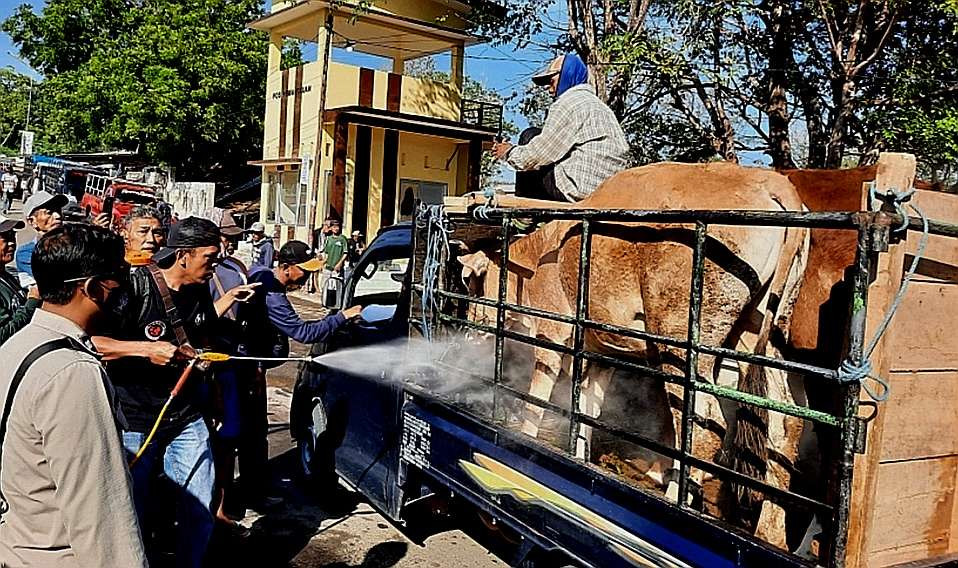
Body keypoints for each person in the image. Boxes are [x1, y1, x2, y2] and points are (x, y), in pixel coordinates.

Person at [0, 223, 148, 567]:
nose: (123, 290)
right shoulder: (73, 372)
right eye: (119, 280)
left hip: (16, 543)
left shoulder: (18, 345)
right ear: (94, 288)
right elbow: (100, 510)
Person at [93, 217, 234, 568]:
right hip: (138, 420)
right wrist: (144, 349)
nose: (216, 265)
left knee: (200, 507)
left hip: (187, 416)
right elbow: (93, 343)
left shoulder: (201, 288)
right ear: (184, 255)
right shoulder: (132, 287)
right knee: (134, 513)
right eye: (210, 256)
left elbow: (203, 340)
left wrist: (213, 394)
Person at [238, 241, 361, 506]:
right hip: (247, 370)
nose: (307, 277)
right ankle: (252, 495)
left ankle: (250, 490)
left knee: (251, 433)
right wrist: (342, 317)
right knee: (253, 434)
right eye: (303, 271)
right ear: (285, 267)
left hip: (251, 365)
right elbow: (303, 333)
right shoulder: (273, 296)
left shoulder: (260, 273)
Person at [492, 53, 630, 202]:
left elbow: (537, 154)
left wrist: (508, 152)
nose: (548, 88)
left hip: (579, 189)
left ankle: (525, 218)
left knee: (529, 135)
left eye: (551, 81)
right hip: (609, 190)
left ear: (567, 74)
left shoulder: (568, 103)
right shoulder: (601, 107)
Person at [207, 209, 259, 531]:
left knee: (229, 439)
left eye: (230, 238)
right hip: (204, 364)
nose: (228, 243)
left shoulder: (237, 267)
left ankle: (222, 508)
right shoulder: (189, 274)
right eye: (223, 237)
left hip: (233, 363)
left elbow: (249, 318)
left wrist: (252, 361)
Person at [0, 216, 40, 345]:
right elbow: (3, 335)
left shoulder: (9, 275)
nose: (12, 242)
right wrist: (32, 302)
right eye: (5, 238)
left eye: (12, 236)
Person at [16, 190, 67, 285]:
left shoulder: (71, 240)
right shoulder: (27, 253)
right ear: (32, 221)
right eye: (49, 212)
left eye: (58, 211)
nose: (58, 216)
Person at [321, 219, 348, 299]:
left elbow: (345, 253)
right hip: (328, 266)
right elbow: (326, 253)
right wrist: (323, 264)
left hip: (337, 268)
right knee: (325, 285)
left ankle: (334, 302)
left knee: (335, 286)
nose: (336, 228)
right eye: (334, 227)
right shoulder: (328, 239)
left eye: (337, 227)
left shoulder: (342, 239)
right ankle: (325, 301)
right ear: (331, 228)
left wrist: (339, 264)